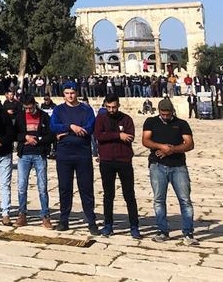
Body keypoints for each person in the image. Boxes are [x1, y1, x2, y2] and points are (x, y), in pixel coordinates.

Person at [143, 98, 197, 245]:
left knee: (185, 200)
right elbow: (146, 140)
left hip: (178, 166)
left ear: (172, 111)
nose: (165, 116)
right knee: (159, 199)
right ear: (159, 111)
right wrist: (162, 147)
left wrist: (172, 150)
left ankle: (188, 233)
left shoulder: (181, 124)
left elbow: (189, 144)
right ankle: (162, 231)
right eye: (163, 114)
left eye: (168, 114)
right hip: (157, 165)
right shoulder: (151, 122)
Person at [50, 81, 99, 233]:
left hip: (82, 153)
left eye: (72, 93)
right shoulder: (58, 110)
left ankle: (91, 221)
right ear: (63, 94)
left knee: (86, 188)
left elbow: (89, 128)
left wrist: (66, 132)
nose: (70, 96)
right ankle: (64, 220)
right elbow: (53, 126)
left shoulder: (86, 109)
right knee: (65, 188)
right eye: (67, 93)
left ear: (76, 93)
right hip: (64, 154)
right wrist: (71, 126)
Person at [93, 94, 141, 239]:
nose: (111, 110)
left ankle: (134, 226)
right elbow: (98, 136)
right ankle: (108, 225)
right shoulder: (101, 118)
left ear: (118, 105)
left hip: (124, 160)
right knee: (108, 194)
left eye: (114, 107)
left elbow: (130, 136)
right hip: (107, 160)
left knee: (129, 194)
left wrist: (112, 135)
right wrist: (118, 135)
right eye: (108, 107)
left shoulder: (126, 119)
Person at [15, 95, 53, 228]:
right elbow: (15, 134)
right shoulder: (20, 116)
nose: (28, 111)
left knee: (42, 186)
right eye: (25, 108)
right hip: (24, 154)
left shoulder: (44, 116)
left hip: (39, 154)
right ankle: (22, 213)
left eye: (30, 108)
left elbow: (51, 134)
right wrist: (25, 137)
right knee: (21, 185)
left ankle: (45, 215)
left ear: (35, 105)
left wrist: (38, 140)